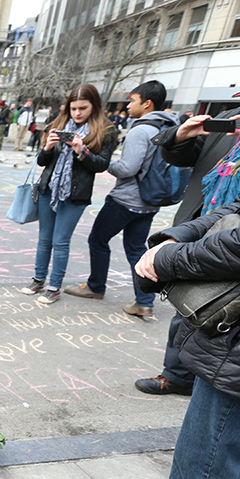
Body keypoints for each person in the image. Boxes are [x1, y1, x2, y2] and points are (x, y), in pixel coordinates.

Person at [100, 103, 240, 479]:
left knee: (214, 456)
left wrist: (168, 258)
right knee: (202, 448)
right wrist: (177, 234)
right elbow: (232, 212)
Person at [134, 74, 240, 396]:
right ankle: (178, 375)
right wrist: (179, 137)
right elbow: (183, 158)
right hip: (203, 220)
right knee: (186, 304)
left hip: (235, 239)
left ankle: (196, 378)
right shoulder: (232, 120)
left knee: (216, 308)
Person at [63, 81, 178, 317]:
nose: (128, 106)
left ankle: (95, 287)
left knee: (98, 239)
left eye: (132, 100)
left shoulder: (140, 130)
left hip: (126, 200)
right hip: (151, 201)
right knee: (136, 248)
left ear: (147, 103)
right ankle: (144, 301)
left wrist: (107, 165)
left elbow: (127, 168)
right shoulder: (169, 126)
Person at [20, 84, 117, 304]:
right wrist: (46, 147)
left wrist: (82, 151)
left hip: (75, 195)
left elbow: (102, 165)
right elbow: (41, 162)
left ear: (94, 106)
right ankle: (38, 280)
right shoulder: (59, 124)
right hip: (49, 189)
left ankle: (54, 287)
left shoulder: (105, 130)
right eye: (73, 108)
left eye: (83, 108)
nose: (78, 113)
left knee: (61, 241)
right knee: (44, 239)